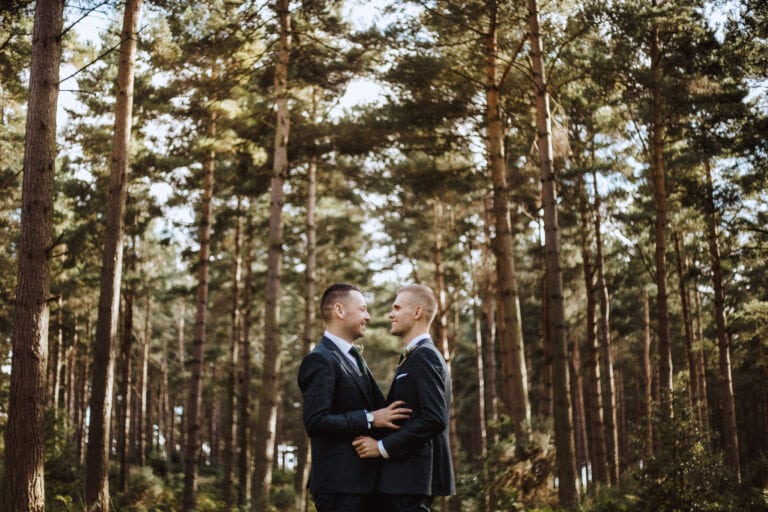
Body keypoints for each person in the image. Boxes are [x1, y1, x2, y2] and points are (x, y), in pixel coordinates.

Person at [298, 283, 412, 512]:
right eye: (362, 309)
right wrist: (369, 419)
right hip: (340, 489)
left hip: (369, 486)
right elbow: (315, 422)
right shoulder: (320, 360)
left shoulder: (353, 357)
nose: (368, 317)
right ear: (339, 311)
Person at [353, 284, 456, 512]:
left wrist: (382, 447)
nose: (391, 314)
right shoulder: (414, 356)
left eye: (397, 308)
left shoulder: (425, 356)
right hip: (404, 479)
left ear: (417, 312)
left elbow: (434, 418)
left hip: (412, 478)